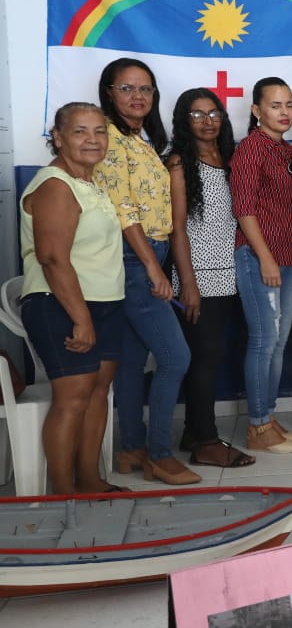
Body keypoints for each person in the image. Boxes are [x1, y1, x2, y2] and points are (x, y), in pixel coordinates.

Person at [93, 58, 199, 485]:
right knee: (176, 356)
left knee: (134, 361)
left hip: (146, 257)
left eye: (146, 89)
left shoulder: (139, 138)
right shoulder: (110, 139)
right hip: (135, 260)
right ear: (108, 92)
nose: (138, 97)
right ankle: (158, 454)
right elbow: (124, 211)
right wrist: (155, 268)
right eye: (126, 88)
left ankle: (131, 449)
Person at [19, 103, 125, 494]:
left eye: (100, 131)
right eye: (80, 132)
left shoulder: (89, 183)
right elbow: (51, 257)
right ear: (58, 138)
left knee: (98, 392)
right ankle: (63, 497)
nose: (93, 140)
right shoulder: (54, 185)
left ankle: (90, 481)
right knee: (73, 398)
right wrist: (81, 318)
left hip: (105, 302)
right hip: (61, 303)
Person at [167, 89, 257, 467]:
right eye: (197, 114)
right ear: (183, 121)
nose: (207, 121)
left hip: (230, 270)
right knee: (206, 355)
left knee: (212, 353)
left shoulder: (230, 156)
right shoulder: (177, 162)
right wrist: (187, 283)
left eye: (214, 113)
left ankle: (193, 429)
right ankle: (206, 441)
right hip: (198, 273)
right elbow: (177, 229)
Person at [230, 77, 292, 453]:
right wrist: (266, 258)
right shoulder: (251, 150)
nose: (284, 112)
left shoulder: (285, 150)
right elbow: (243, 209)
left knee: (279, 343)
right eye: (275, 105)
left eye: (288, 104)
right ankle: (257, 427)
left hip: (287, 258)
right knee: (264, 341)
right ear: (257, 110)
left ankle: (268, 417)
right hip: (259, 257)